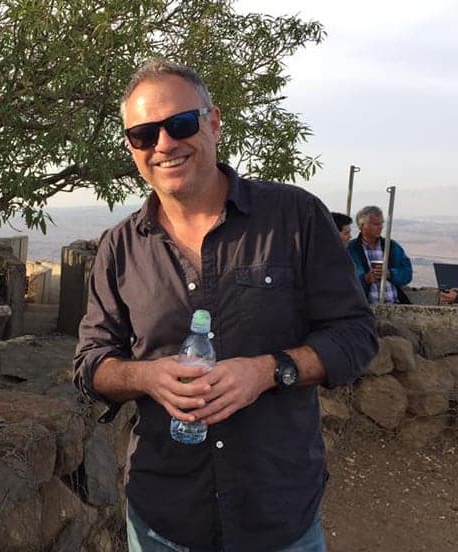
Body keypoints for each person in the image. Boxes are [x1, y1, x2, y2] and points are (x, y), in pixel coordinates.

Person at [73, 59, 378, 552]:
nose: (164, 145)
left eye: (180, 124)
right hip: (164, 518)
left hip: (277, 513)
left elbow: (355, 335)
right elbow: (90, 363)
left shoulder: (295, 217)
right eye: (144, 135)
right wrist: (146, 376)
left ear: (213, 123)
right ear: (131, 147)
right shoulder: (119, 247)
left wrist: (268, 370)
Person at [346, 205, 413, 304]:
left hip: (395, 305)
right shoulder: (351, 249)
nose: (380, 227)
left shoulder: (391, 247)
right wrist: (365, 279)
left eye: (381, 223)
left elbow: (407, 274)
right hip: (365, 308)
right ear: (361, 226)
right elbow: (344, 280)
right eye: (375, 224)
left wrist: (391, 274)